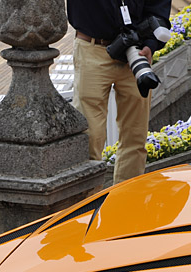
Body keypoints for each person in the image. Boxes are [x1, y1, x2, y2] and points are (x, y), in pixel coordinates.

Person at [68, 0, 172, 185]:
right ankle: (88, 203)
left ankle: (126, 203)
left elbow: (159, 9)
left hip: (136, 53)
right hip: (92, 48)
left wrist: (150, 44)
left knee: (136, 136)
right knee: (89, 136)